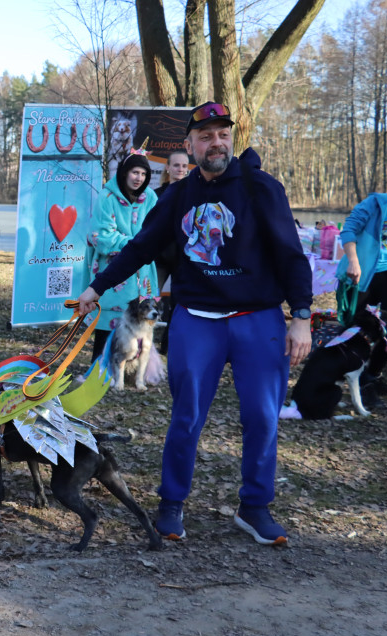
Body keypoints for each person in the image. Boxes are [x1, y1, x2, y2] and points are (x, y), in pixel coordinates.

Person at [76, 102, 312, 546]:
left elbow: (291, 254)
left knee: (262, 416)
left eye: (222, 134)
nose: (215, 142)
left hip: (257, 317)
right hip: (198, 318)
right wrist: (96, 288)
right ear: (190, 145)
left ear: (232, 139)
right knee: (187, 416)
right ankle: (172, 503)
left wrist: (300, 316)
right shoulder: (177, 196)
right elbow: (141, 247)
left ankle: (255, 507)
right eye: (205, 137)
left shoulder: (262, 189)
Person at [86, 149, 158, 361]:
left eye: (144, 174)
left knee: (139, 321)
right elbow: (100, 235)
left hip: (142, 272)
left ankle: (131, 368)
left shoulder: (151, 197)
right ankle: (98, 368)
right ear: (125, 172)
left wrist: (145, 245)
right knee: (107, 322)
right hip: (112, 268)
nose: (139, 178)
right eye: (135, 172)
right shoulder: (107, 196)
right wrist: (135, 243)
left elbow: (155, 230)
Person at [154, 151, 190, 355]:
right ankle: (142, 346)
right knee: (148, 299)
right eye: (176, 165)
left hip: (183, 258)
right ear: (167, 167)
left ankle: (168, 348)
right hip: (159, 256)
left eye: (184, 166)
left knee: (178, 305)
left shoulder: (193, 193)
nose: (180, 170)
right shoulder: (157, 195)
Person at [337, 192, 387, 315]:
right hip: (362, 273)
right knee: (356, 327)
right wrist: (353, 262)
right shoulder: (374, 203)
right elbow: (349, 230)